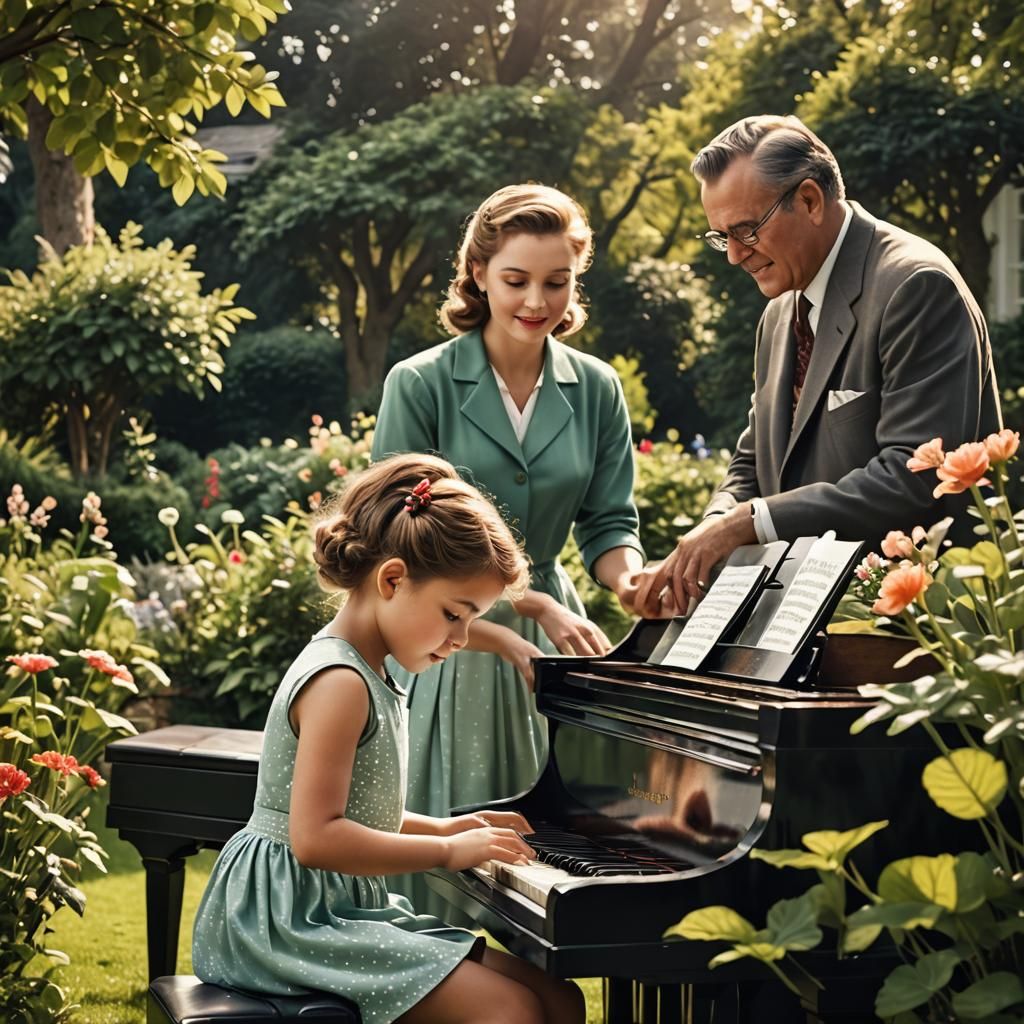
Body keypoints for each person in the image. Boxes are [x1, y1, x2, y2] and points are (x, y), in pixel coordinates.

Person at [191, 453, 585, 1024]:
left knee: (560, 1000)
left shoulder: (373, 671)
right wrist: (447, 852)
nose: (461, 638)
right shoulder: (340, 681)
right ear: (392, 579)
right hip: (285, 922)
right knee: (510, 1011)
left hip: (335, 906)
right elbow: (316, 838)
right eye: (455, 614)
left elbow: (362, 811)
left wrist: (452, 825)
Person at [371, 183, 646, 916]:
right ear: (478, 275)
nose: (537, 300)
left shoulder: (596, 388)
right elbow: (401, 536)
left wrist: (632, 582)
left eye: (557, 282)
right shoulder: (420, 383)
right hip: (446, 640)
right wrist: (531, 612)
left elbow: (608, 524)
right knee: (441, 876)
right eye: (516, 280)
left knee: (548, 864)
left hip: (556, 650)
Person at [635, 114, 1001, 615]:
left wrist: (748, 522)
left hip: (916, 632)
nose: (735, 255)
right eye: (722, 236)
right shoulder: (779, 311)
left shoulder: (915, 284)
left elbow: (913, 473)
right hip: (801, 627)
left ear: (809, 200)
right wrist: (708, 534)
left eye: (746, 230)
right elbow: (754, 460)